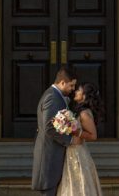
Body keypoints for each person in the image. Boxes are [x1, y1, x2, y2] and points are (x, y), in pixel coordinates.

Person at [32, 65, 83, 195]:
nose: (72, 89)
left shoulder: (56, 96)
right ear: (62, 82)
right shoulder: (52, 97)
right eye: (71, 86)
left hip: (53, 157)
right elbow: (49, 127)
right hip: (49, 158)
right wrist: (71, 139)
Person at [56, 82, 104, 196]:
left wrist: (76, 132)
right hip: (72, 152)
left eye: (79, 90)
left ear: (85, 96)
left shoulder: (84, 114)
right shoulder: (79, 111)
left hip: (78, 154)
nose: (76, 92)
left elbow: (93, 136)